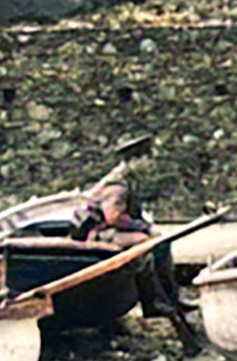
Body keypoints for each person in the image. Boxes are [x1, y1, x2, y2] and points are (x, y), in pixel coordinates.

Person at [73, 133, 188, 326]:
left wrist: (148, 225)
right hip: (100, 234)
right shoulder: (116, 184)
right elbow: (114, 217)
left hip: (110, 230)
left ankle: (171, 297)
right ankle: (153, 303)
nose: (150, 163)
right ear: (134, 160)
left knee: (161, 244)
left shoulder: (130, 179)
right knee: (143, 244)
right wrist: (144, 229)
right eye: (147, 158)